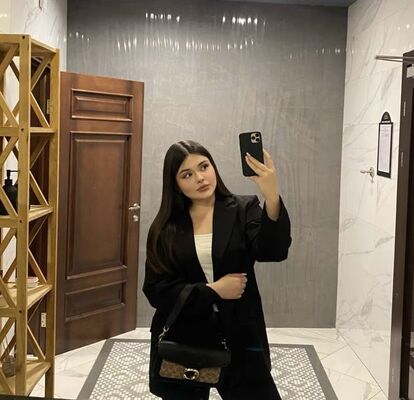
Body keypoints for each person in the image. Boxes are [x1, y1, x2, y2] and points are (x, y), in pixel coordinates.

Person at [143, 140, 292, 400]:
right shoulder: (165, 228)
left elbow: (272, 252)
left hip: (240, 331)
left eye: (204, 166)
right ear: (175, 183)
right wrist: (212, 291)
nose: (200, 178)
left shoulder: (243, 209)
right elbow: (156, 290)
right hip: (185, 335)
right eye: (187, 174)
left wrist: (272, 197)